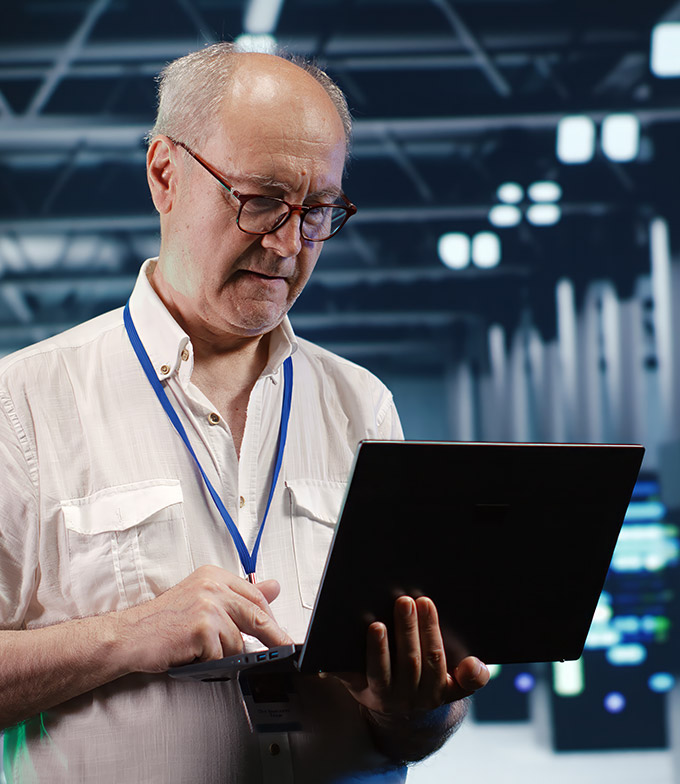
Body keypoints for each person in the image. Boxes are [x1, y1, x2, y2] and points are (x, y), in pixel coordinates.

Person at [0, 44, 489, 782]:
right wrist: (126, 636)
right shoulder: (23, 404)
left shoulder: (363, 406)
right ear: (165, 174)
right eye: (260, 199)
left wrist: (415, 707)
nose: (290, 244)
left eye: (318, 210)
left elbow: (412, 733)